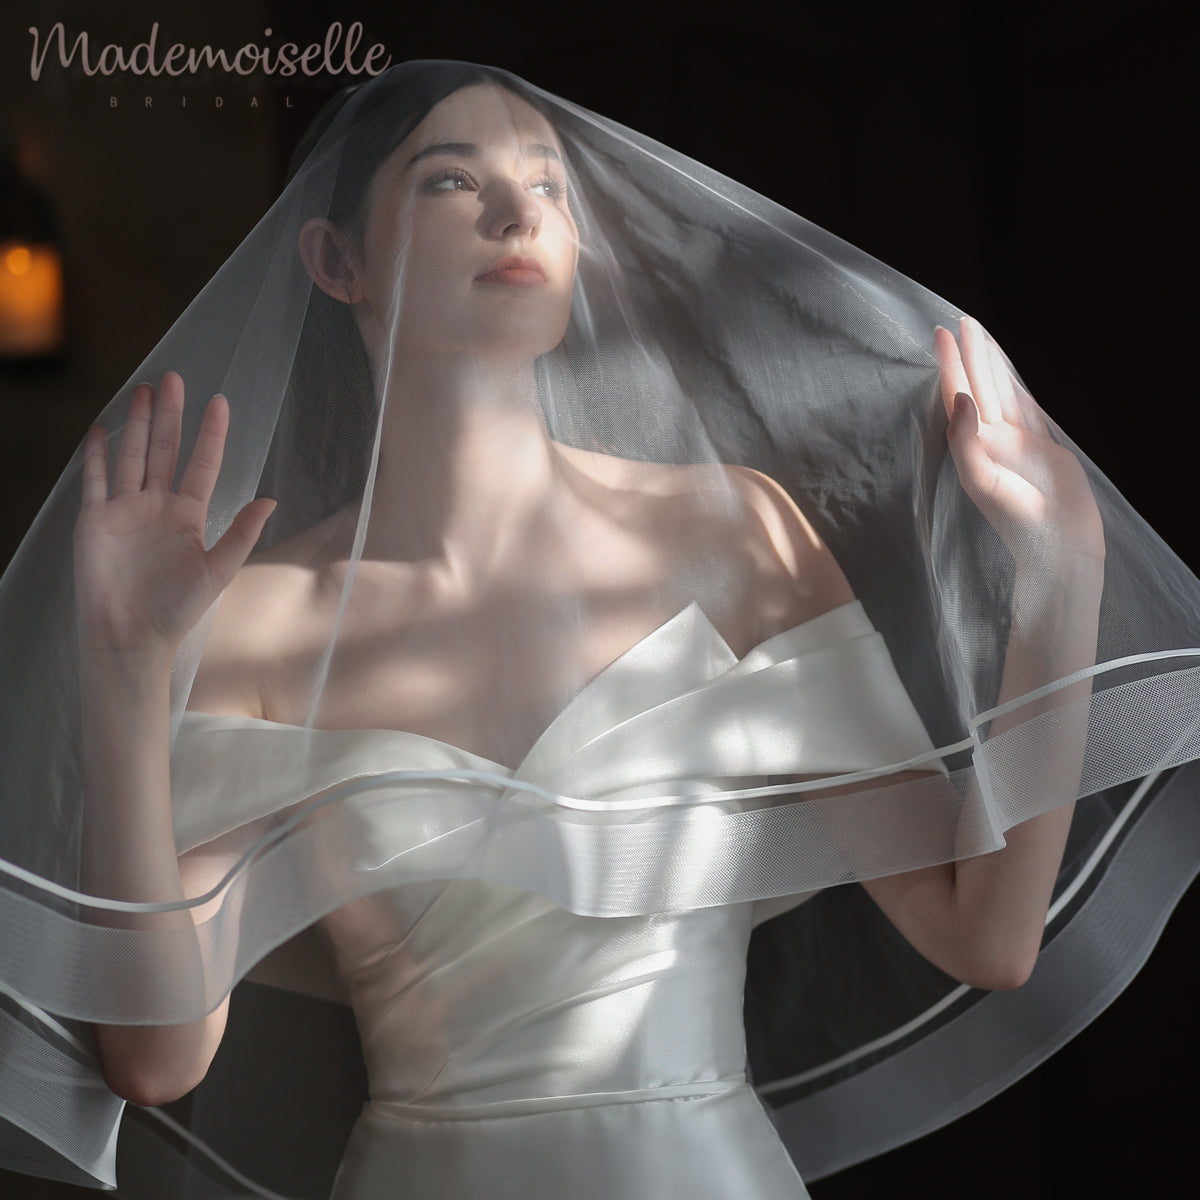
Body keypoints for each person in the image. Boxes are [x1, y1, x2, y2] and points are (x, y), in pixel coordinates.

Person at [1, 61, 1197, 1199]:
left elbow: (987, 930)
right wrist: (126, 677)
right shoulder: (260, 620)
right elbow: (157, 1059)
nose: (518, 212)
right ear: (336, 259)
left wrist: (1062, 579)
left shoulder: (733, 538)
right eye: (452, 178)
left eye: (549, 184)